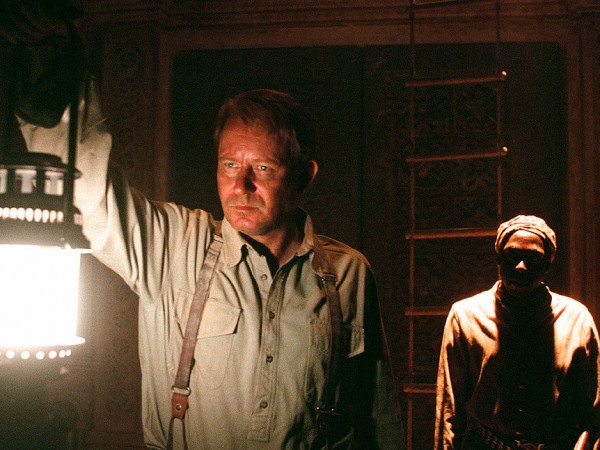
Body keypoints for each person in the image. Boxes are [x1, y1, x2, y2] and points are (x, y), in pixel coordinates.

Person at [12, 32, 405, 446]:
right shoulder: (174, 246)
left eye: (264, 168)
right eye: (230, 165)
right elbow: (88, 194)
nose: (241, 185)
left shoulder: (349, 274)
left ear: (304, 176)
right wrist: (48, 57)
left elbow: (378, 419)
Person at [434, 215, 600, 450]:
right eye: (512, 255)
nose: (521, 266)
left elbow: (593, 409)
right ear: (499, 258)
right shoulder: (465, 317)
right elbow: (450, 409)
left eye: (533, 258)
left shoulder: (577, 320)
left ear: (548, 264)